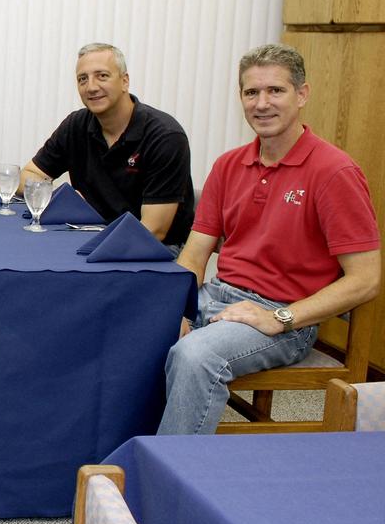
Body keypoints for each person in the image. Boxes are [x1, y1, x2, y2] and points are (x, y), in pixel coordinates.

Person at [158, 43, 380, 435]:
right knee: (132, 328)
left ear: (302, 94)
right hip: (219, 296)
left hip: (284, 317)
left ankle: (166, 479)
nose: (262, 103)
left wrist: (280, 318)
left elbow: (366, 279)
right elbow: (193, 255)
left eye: (275, 91)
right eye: (250, 92)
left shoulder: (334, 171)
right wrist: (178, 308)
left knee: (195, 356)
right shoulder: (229, 164)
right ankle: (122, 458)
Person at [22, 43, 195, 246]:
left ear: (125, 81)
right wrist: (56, 196)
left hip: (153, 251)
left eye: (102, 76)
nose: (91, 87)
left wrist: (92, 248)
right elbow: (28, 176)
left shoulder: (165, 136)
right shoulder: (76, 125)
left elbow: (153, 231)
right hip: (89, 236)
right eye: (82, 79)